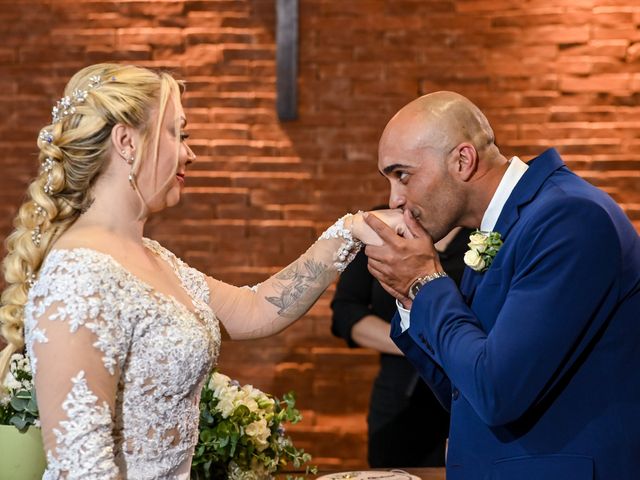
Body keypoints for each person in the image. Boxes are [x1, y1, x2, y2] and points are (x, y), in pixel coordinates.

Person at [0, 63, 405, 479]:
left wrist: (352, 230)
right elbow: (82, 470)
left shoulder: (152, 256)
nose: (190, 153)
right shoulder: (78, 275)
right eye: (178, 133)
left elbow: (257, 308)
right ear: (126, 141)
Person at [362, 91, 640, 480]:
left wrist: (425, 280)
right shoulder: (500, 226)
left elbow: (498, 393)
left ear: (462, 160)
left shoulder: (570, 218)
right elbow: (464, 390)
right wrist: (411, 296)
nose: (395, 198)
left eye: (403, 174)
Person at [331, 208, 471, 467]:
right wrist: (414, 344)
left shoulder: (482, 228)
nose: (398, 195)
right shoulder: (378, 228)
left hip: (467, 394)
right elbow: (346, 312)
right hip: (399, 397)